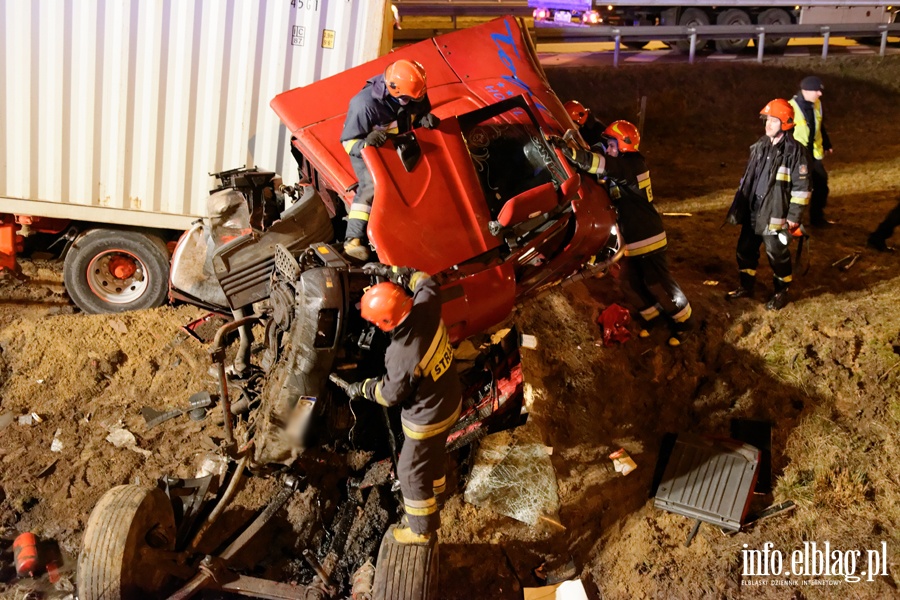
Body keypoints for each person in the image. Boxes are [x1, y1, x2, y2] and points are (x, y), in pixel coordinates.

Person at [343, 263, 462, 544]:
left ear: (385, 324)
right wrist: (396, 271)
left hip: (427, 418)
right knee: (431, 455)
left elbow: (390, 395)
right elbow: (426, 280)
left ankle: (422, 530)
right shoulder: (426, 304)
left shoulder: (402, 353)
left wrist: (363, 388)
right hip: (450, 398)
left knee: (409, 470)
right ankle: (439, 492)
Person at [554, 120, 692, 346]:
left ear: (623, 145)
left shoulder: (632, 165)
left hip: (648, 236)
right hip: (632, 237)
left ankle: (685, 323)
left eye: (611, 145)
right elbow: (602, 161)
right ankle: (653, 319)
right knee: (629, 283)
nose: (608, 149)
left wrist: (570, 153)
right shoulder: (624, 165)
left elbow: (602, 164)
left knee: (657, 283)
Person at [339, 60, 441, 261]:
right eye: (408, 98)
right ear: (395, 91)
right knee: (373, 186)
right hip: (367, 149)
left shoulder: (415, 92)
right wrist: (366, 144)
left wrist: (425, 121)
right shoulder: (364, 104)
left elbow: (417, 116)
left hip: (399, 145)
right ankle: (353, 240)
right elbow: (348, 142)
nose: (415, 101)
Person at [725, 99, 811, 310]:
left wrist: (793, 218)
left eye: (773, 121)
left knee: (777, 255)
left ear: (785, 123)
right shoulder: (760, 145)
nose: (767, 125)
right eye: (767, 120)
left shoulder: (795, 152)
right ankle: (746, 287)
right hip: (754, 211)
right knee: (744, 250)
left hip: (776, 215)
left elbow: (802, 190)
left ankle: (781, 292)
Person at [789, 75, 833, 227]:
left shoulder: (817, 104)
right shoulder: (791, 108)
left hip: (813, 154)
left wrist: (826, 143)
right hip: (798, 156)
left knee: (821, 184)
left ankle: (817, 218)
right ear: (806, 91)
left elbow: (820, 125)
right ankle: (791, 220)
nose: (820, 94)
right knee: (797, 189)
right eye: (817, 91)